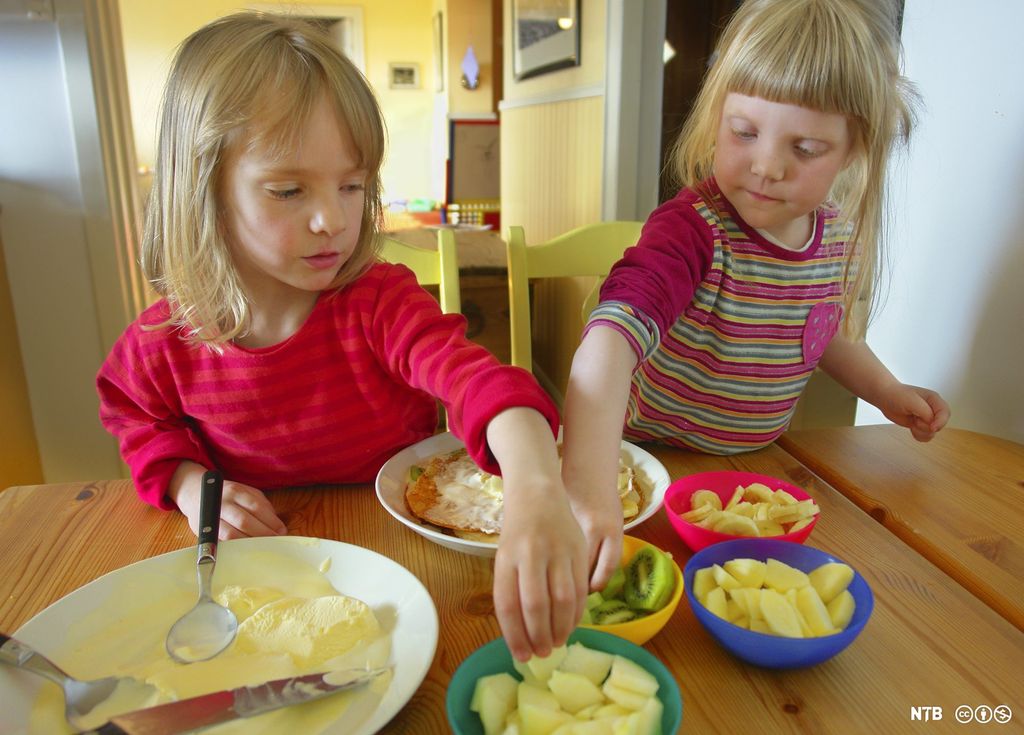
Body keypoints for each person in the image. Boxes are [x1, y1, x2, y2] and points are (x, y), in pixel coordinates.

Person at [96, 12, 586, 662]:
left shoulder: (379, 302)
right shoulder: (164, 339)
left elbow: (477, 379)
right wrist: (190, 484)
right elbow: (135, 416)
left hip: (404, 559)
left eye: (351, 185)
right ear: (205, 191)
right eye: (289, 189)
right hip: (262, 577)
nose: (331, 218)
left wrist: (534, 483)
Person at [561, 0, 951, 589]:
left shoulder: (834, 236)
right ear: (717, 117)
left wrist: (887, 391)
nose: (766, 165)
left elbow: (822, 333)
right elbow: (611, 338)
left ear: (851, 151)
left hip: (750, 476)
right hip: (639, 466)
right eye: (744, 132)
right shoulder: (694, 227)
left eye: (805, 148)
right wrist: (589, 485)